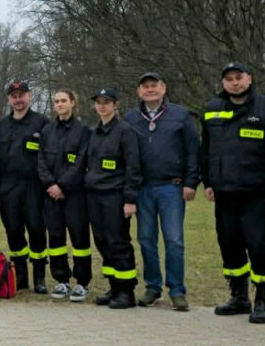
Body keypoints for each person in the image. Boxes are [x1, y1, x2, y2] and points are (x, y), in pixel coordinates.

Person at [199, 62, 265, 324]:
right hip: (224, 192)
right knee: (229, 244)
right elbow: (206, 150)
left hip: (258, 192)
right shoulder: (211, 109)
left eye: (239, 77)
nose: (234, 82)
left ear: (249, 79)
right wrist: (207, 181)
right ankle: (239, 296)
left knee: (259, 245)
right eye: (229, 78)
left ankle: (264, 299)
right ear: (223, 83)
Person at [124, 72, 200, 311]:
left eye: (153, 86)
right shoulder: (130, 118)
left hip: (172, 187)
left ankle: (177, 290)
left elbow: (192, 151)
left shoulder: (181, 115)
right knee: (146, 240)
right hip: (143, 188)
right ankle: (152, 287)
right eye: (144, 86)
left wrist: (191, 182)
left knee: (174, 240)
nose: (149, 90)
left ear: (163, 88)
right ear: (139, 91)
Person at [83, 88, 143, 309]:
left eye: (106, 102)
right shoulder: (94, 132)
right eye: (98, 102)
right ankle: (114, 285)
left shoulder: (125, 131)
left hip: (115, 195)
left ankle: (127, 291)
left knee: (118, 241)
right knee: (101, 240)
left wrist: (130, 199)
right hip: (94, 195)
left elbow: (133, 167)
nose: (102, 106)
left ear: (115, 105)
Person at [0, 80, 49, 294]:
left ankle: (40, 277)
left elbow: (50, 156)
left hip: (34, 187)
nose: (18, 100)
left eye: (21, 95)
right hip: (8, 187)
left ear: (29, 96)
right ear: (9, 99)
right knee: (13, 230)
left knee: (36, 229)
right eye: (14, 96)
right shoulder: (2, 126)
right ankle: (21, 276)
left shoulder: (42, 123)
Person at [37, 89, 93, 301]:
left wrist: (62, 185)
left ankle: (81, 282)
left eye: (64, 101)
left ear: (73, 103)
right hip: (51, 194)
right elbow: (41, 161)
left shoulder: (83, 131)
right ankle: (61, 280)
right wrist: (51, 185)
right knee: (56, 238)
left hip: (75, 194)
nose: (59, 104)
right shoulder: (47, 131)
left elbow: (81, 163)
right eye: (57, 101)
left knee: (79, 238)